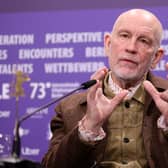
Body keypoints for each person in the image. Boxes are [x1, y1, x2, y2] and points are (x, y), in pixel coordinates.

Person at [42, 9, 168, 168]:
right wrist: (88, 128)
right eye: (124, 36)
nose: (131, 48)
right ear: (108, 44)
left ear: (156, 57)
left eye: (143, 40)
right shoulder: (69, 109)